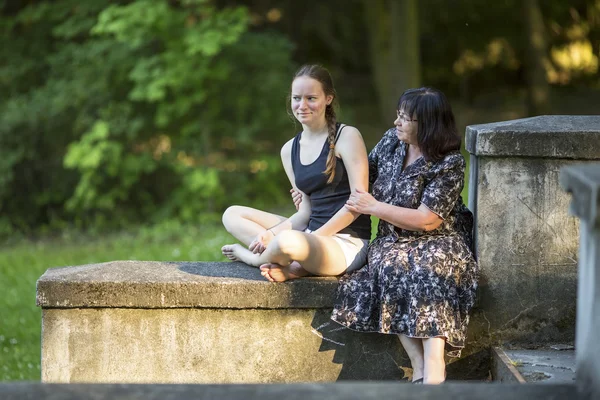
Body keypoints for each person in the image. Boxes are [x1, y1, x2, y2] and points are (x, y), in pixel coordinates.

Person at [329, 87, 478, 385]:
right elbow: (360, 177)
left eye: (405, 118)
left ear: (427, 124)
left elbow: (427, 220)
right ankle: (419, 366)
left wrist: (375, 206)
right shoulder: (391, 142)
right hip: (392, 240)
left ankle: (435, 367)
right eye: (398, 115)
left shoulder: (449, 163)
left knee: (431, 271)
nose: (396, 122)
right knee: (391, 267)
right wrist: (311, 194)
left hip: (440, 240)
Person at [221, 64, 372, 282]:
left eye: (311, 98)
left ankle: (253, 259)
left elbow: (358, 204)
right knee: (232, 214)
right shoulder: (288, 150)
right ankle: (281, 257)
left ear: (328, 99)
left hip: (345, 243)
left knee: (287, 242)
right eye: (296, 98)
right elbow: (305, 212)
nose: (302, 105)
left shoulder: (346, 136)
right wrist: (270, 234)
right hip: (309, 234)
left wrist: (306, 238)